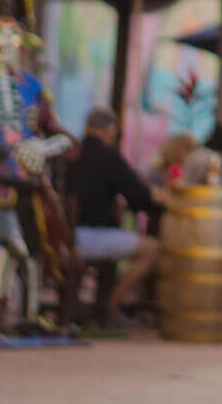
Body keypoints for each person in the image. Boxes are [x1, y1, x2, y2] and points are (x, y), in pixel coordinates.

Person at [62, 107, 161, 326]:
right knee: (153, 250)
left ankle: (99, 303)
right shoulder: (108, 156)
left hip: (63, 236)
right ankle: (112, 304)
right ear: (109, 129)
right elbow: (139, 196)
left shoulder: (70, 155)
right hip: (88, 237)